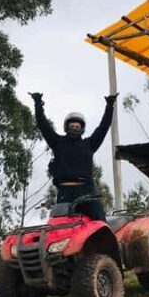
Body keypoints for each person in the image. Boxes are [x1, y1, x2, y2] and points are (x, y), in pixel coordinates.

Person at [30, 92, 118, 221]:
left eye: (77, 126)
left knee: (100, 221)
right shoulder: (58, 142)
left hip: (86, 191)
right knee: (59, 224)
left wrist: (109, 106)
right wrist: (38, 104)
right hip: (65, 192)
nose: (75, 128)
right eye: (72, 126)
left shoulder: (90, 144)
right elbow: (43, 126)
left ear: (82, 129)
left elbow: (103, 127)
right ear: (67, 127)